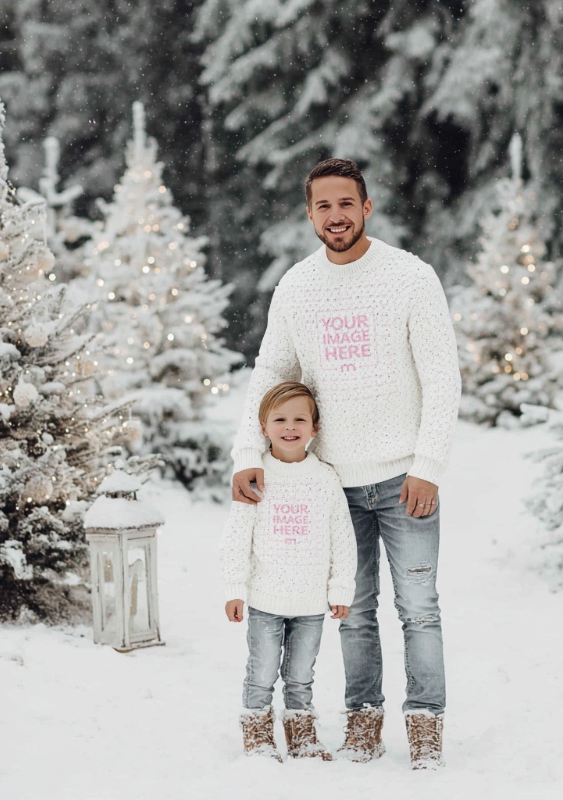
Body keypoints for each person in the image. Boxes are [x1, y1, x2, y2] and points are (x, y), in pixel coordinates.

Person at [231, 158, 461, 770]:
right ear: (310, 214)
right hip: (331, 483)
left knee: (419, 609)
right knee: (353, 611)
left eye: (346, 204)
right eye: (323, 206)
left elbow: (442, 379)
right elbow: (272, 375)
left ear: (367, 207)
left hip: (403, 477)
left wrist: (428, 464)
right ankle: (363, 722)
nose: (336, 216)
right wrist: (248, 452)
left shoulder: (410, 277)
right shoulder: (297, 287)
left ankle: (426, 726)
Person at [221, 381, 357, 763]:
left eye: (300, 418)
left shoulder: (325, 479)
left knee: (300, 676)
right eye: (279, 419)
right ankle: (258, 736)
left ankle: (302, 737)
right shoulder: (256, 476)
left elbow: (342, 539)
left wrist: (340, 590)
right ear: (263, 428)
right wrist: (235, 588)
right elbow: (236, 537)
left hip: (311, 604)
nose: (290, 426)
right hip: (265, 600)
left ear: (315, 428)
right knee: (262, 673)